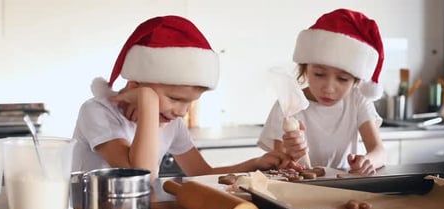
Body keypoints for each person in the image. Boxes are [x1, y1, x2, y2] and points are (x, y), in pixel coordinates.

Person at [72, 15, 292, 179]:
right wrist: (148, 101)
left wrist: (254, 164)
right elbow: (141, 175)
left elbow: (201, 173)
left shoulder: (172, 124)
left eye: (190, 103)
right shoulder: (97, 112)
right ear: (134, 86)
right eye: (175, 99)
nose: (182, 112)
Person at [258, 9, 387, 175]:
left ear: (356, 80)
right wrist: (290, 154)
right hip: (300, 188)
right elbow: (279, 161)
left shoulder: (357, 100)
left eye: (342, 79)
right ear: (305, 69)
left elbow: (379, 151)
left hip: (344, 185)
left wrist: (367, 162)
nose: (329, 88)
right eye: (319, 74)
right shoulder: (287, 104)